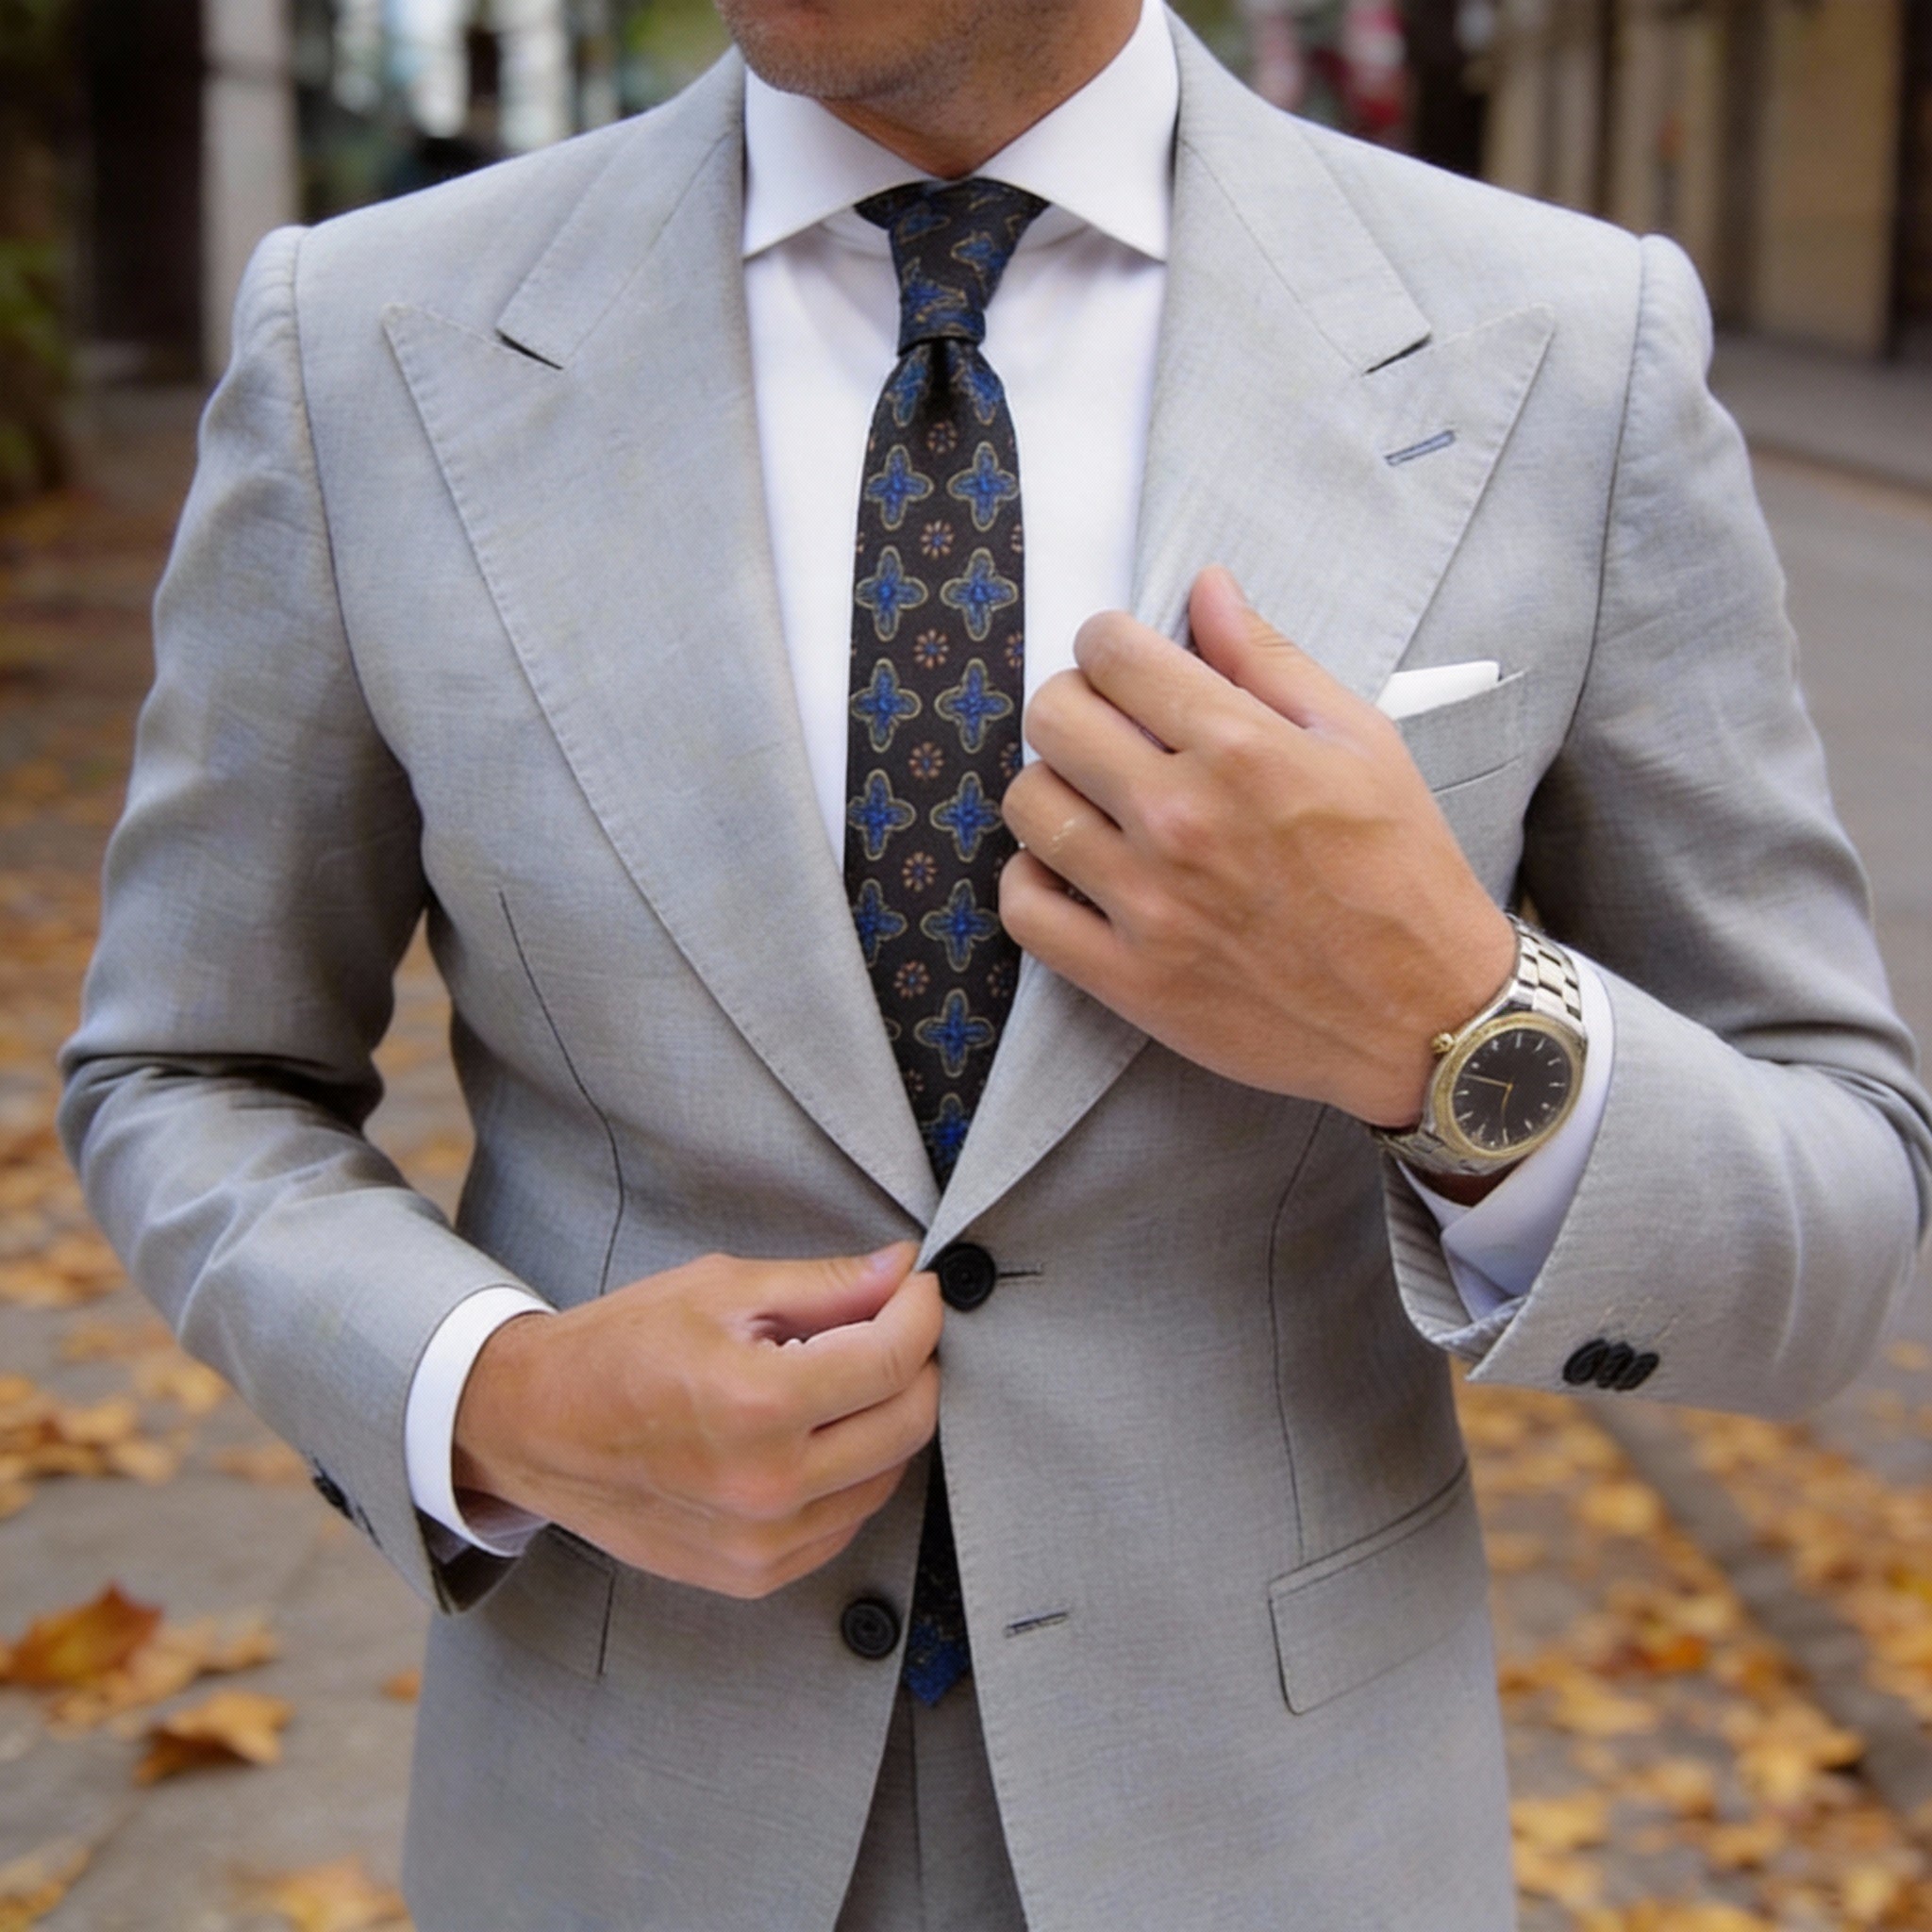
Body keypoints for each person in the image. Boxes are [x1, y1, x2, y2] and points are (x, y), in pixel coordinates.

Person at [60, 1, 1930, 1925]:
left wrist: (1455, 1029)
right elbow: (190, 1070)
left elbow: (1840, 1220)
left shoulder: (1560, 346)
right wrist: (494, 1394)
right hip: (622, 1826)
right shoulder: (365, 342)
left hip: (1276, 1835)